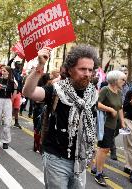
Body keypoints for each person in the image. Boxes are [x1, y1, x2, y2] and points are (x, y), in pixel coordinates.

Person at [23, 45, 99, 189]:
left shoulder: (93, 94)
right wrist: (40, 65)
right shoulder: (57, 89)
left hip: (80, 160)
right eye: (82, 69)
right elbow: (28, 92)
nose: (87, 73)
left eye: (90, 70)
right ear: (70, 69)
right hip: (56, 158)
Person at [92, 70, 128, 187]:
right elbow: (96, 104)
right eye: (122, 79)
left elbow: (120, 108)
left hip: (114, 125)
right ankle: (99, 173)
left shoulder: (118, 92)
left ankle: (94, 168)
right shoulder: (105, 90)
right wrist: (110, 109)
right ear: (114, 80)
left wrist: (122, 121)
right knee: (104, 149)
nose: (124, 82)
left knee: (104, 148)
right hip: (105, 124)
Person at [0, 66, 16, 149]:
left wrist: (11, 103)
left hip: (7, 101)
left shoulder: (12, 82)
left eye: (4, 70)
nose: (2, 72)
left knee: (7, 121)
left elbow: (14, 94)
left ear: (8, 72)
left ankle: (5, 141)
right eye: (2, 70)